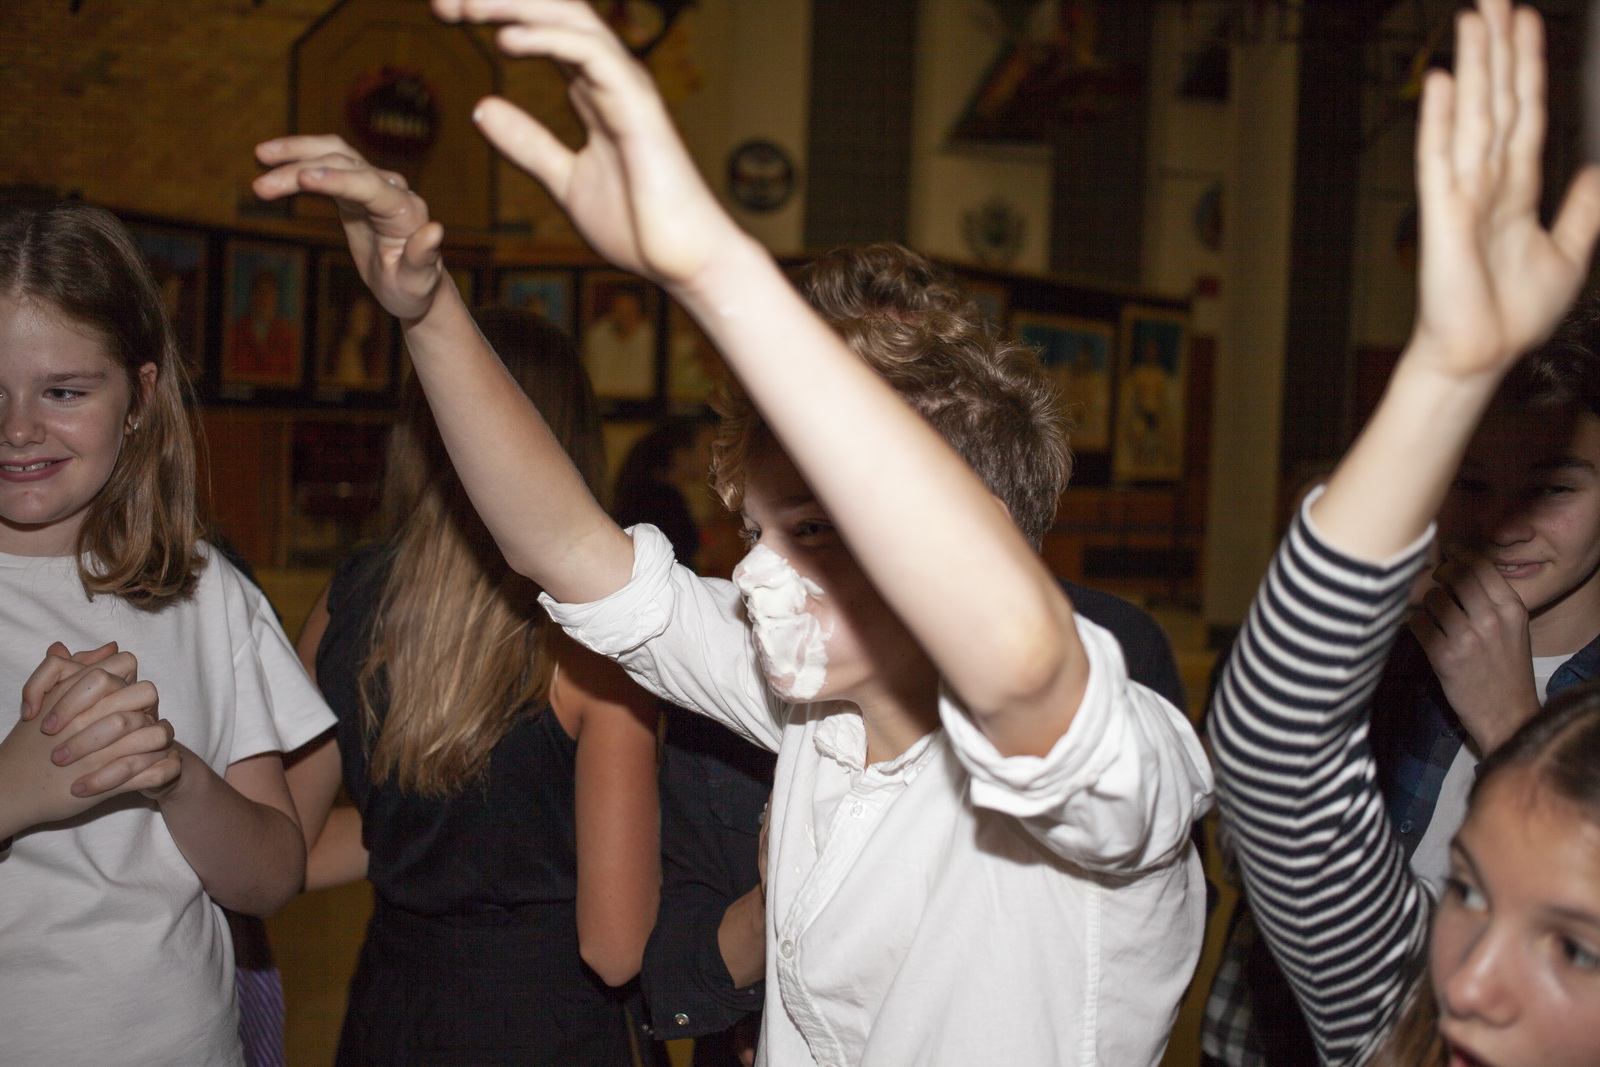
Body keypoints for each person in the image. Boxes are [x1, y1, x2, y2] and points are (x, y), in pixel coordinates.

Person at [253, 2, 1211, 1063]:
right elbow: (566, 548)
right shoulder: (809, 708)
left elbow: (1026, 668)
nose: (756, 571)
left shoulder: (1107, 769)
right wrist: (428, 312)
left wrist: (712, 266)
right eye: (753, 530)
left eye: (811, 529)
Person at [1207, 2, 1600, 1065]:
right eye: (1468, 483)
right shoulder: (1379, 631)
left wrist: (1513, 730)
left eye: (1554, 486)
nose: (1505, 521)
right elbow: (1263, 789)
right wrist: (1446, 369)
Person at [0, 202, 333, 1066]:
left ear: (140, 397)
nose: (19, 427)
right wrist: (14, 790)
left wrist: (174, 771)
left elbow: (272, 877)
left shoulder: (201, 588)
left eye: (64, 391)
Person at [286, 305, 661, 1067]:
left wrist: (433, 849)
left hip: (393, 1015)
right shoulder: (596, 645)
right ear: (568, 443)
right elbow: (616, 946)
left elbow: (285, 848)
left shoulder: (345, 600)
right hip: (549, 1028)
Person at [612, 416, 708, 571]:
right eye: (707, 449)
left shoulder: (644, 493)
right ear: (681, 453)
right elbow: (683, 559)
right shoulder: (664, 500)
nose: (711, 460)